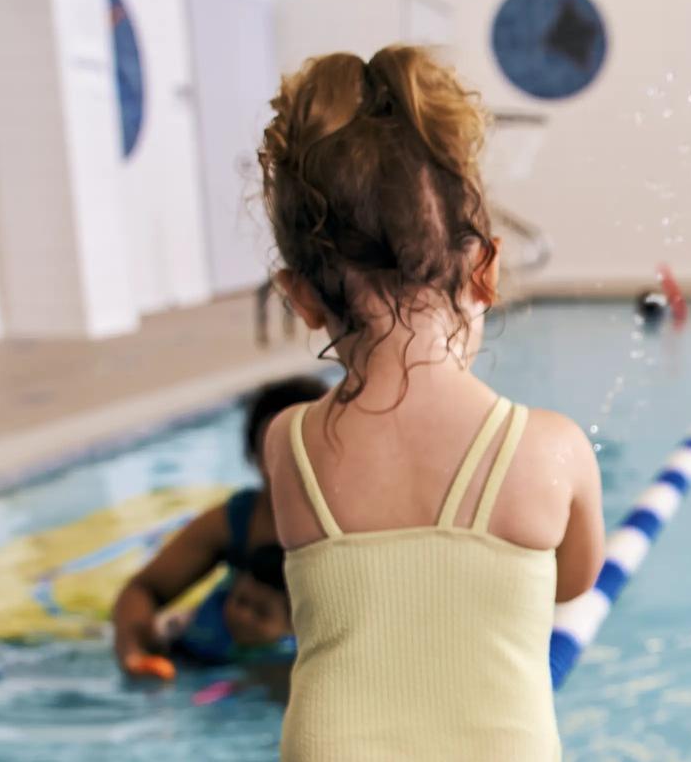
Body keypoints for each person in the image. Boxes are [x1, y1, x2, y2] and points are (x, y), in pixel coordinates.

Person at [255, 46, 604, 761]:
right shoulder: (550, 448)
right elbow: (572, 583)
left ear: (300, 298)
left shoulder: (287, 445)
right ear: (485, 269)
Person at [113, 375, 328, 678]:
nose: (286, 465)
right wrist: (134, 652)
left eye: (300, 449)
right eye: (273, 452)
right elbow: (143, 590)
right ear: (252, 457)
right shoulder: (237, 521)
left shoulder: (354, 522)